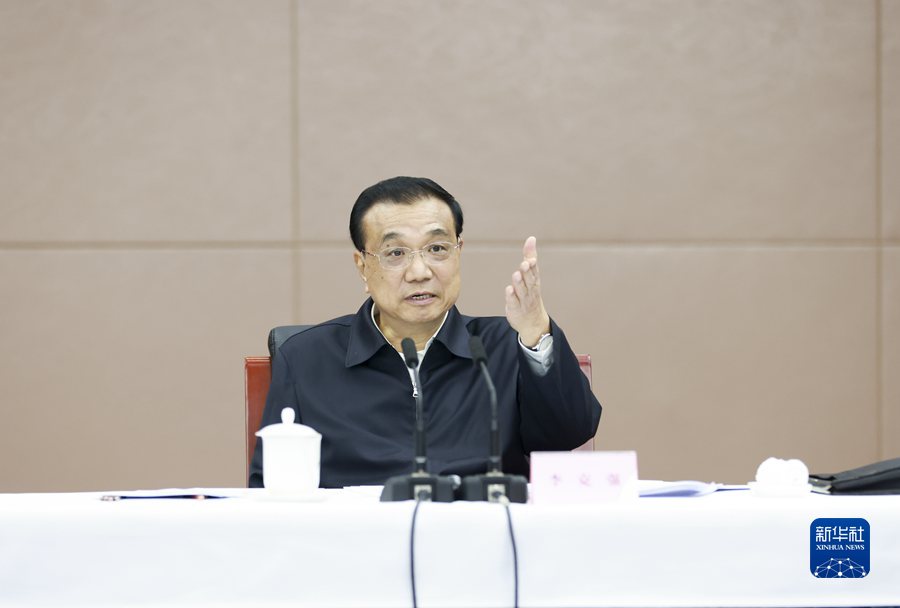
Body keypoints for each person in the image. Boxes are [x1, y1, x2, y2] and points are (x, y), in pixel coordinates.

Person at [249, 176, 601, 488]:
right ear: (362, 266)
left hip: (481, 534)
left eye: (436, 249)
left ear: (458, 252)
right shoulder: (307, 359)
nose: (419, 271)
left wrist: (537, 332)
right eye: (395, 253)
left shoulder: (505, 345)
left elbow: (568, 435)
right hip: (358, 538)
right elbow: (268, 487)